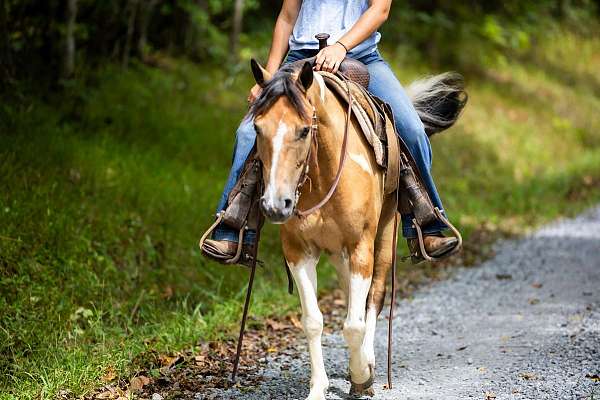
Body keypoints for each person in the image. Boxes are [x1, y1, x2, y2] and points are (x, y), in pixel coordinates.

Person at [203, 0, 457, 261]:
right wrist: (270, 73)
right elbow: (287, 17)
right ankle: (232, 232)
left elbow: (380, 10)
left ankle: (428, 226)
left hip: (360, 57)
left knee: (412, 129)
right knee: (247, 134)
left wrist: (340, 47)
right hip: (300, 59)